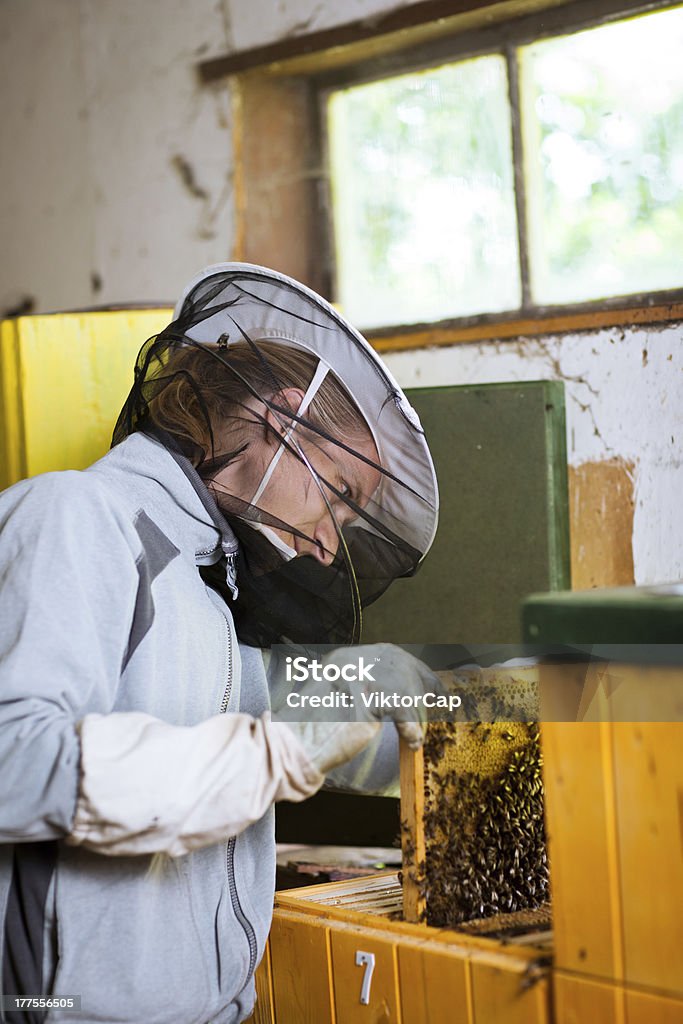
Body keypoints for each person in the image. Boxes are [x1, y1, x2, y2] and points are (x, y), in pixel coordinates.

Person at [0, 263, 439, 1023]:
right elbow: (13, 761)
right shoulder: (74, 517)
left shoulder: (199, 598)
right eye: (337, 496)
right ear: (284, 421)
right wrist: (274, 752)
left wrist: (420, 695)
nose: (331, 551)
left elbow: (279, 711)